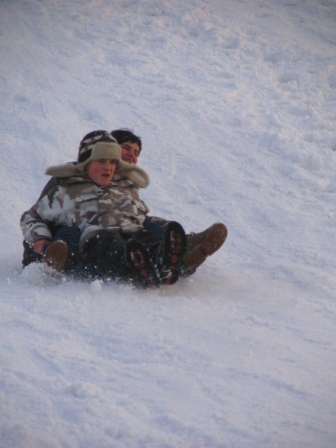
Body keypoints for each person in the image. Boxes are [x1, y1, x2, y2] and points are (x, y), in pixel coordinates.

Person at [21, 129, 227, 276]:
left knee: (148, 235)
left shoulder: (124, 185)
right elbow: (32, 217)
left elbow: (140, 216)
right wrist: (40, 242)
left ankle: (171, 261)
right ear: (85, 164)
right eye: (101, 161)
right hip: (95, 241)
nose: (108, 167)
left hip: (131, 234)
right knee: (110, 244)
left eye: (112, 162)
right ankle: (144, 266)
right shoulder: (66, 188)